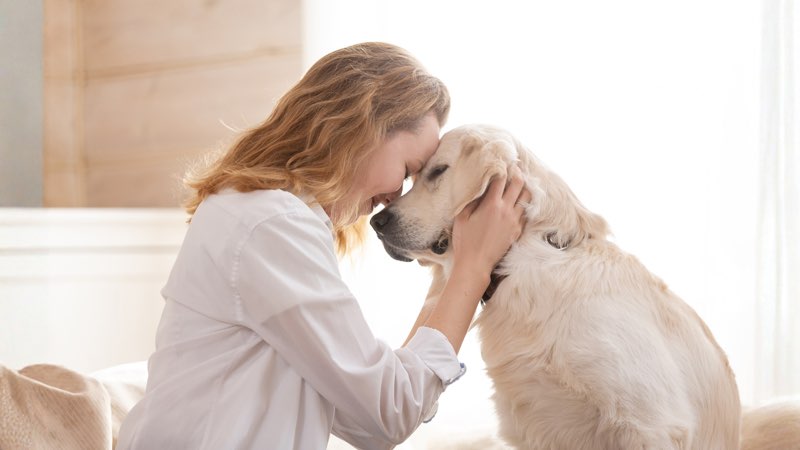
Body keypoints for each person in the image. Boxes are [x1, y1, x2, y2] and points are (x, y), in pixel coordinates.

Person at [117, 42, 529, 449]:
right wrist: (472, 269)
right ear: (362, 128)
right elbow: (389, 413)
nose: (395, 197)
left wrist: (454, 272)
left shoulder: (258, 213)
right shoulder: (271, 223)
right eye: (407, 170)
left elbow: (368, 422)